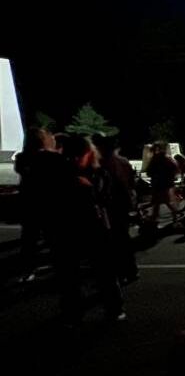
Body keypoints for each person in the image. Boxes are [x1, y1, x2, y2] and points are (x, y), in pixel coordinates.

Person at [52, 135, 126, 324]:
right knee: (74, 273)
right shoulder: (64, 172)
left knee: (102, 270)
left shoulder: (98, 173)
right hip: (74, 228)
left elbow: (107, 199)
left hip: (92, 226)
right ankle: (75, 309)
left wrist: (90, 191)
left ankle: (112, 307)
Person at [14, 128, 65, 282]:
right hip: (49, 203)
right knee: (54, 238)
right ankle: (61, 269)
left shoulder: (22, 158)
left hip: (30, 203)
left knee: (29, 239)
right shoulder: (53, 158)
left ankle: (28, 270)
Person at [94, 135, 138, 284]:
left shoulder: (102, 164)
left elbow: (101, 188)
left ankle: (122, 271)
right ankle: (131, 269)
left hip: (111, 206)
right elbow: (132, 184)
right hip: (124, 204)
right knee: (124, 238)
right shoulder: (124, 162)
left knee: (114, 240)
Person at [144, 142, 180, 227]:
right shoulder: (167, 158)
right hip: (165, 183)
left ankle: (155, 219)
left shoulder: (158, 158)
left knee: (162, 202)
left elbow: (149, 170)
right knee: (160, 202)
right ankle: (155, 218)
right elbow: (175, 169)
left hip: (160, 184)